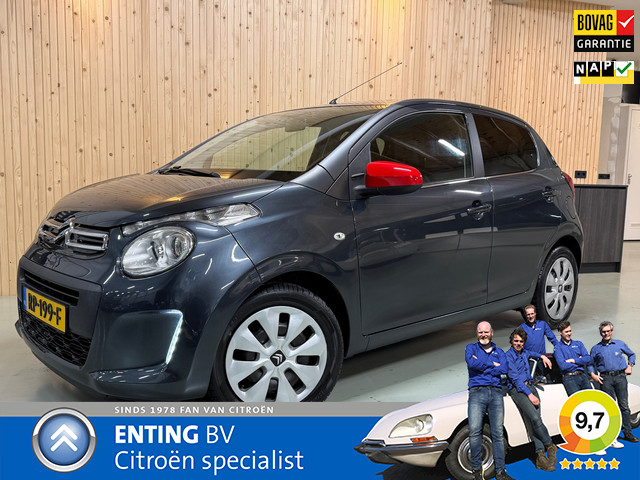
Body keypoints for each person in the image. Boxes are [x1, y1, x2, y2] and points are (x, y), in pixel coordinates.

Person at [465, 321, 515, 480]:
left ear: (492, 333)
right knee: (474, 432)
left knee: (498, 433)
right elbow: (471, 363)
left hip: (496, 393)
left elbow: (503, 369)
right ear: (477, 333)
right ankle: (477, 473)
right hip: (477, 392)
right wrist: (493, 365)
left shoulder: (500, 352)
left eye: (486, 332)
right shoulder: (470, 348)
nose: (483, 335)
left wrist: (483, 366)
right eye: (480, 332)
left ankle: (500, 472)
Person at [506, 327, 557, 471]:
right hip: (518, 390)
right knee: (534, 418)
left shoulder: (525, 352)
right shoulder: (508, 356)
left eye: (521, 341)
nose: (518, 344)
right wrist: (530, 394)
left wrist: (543, 357)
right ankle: (550, 445)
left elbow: (533, 353)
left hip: (531, 386)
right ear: (511, 341)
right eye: (516, 341)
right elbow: (515, 379)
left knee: (536, 421)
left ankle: (540, 456)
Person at [588, 321, 639, 443]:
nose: (606, 333)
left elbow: (631, 354)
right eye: (604, 332)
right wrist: (593, 375)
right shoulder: (596, 348)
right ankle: (612, 435)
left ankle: (627, 432)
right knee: (610, 407)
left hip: (620, 377)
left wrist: (630, 366)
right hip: (605, 379)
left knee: (624, 405)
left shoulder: (619, 344)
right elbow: (590, 364)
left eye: (608, 331)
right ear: (600, 333)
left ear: (612, 331)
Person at [553, 321, 591, 395]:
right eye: (566, 332)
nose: (569, 333)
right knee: (576, 400)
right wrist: (580, 362)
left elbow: (587, 358)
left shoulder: (578, 344)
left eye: (570, 331)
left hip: (583, 375)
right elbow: (563, 366)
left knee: (589, 398)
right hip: (569, 378)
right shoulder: (558, 348)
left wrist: (573, 360)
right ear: (560, 332)